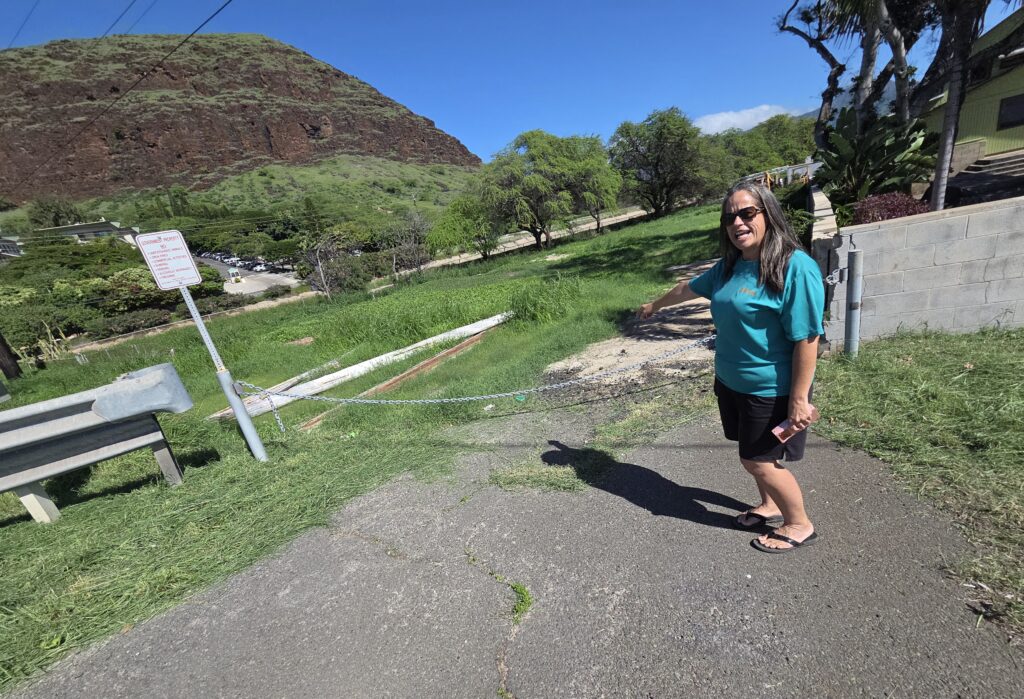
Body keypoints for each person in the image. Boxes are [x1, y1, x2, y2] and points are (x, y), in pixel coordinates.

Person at [637, 182, 825, 553]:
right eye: (730, 217)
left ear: (768, 214)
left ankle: (799, 523)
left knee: (757, 461)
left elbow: (807, 338)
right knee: (756, 455)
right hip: (731, 382)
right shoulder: (730, 267)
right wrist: (655, 306)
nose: (737, 221)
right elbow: (685, 289)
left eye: (747, 213)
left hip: (770, 388)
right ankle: (770, 505)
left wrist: (799, 401)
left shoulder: (794, 266)